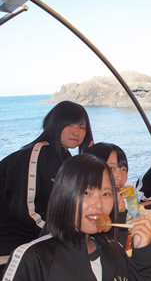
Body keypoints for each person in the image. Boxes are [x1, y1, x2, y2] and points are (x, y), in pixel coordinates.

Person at [0, 154, 151, 281]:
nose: (98, 203)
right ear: (64, 194)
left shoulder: (113, 252)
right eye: (86, 192)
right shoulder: (33, 259)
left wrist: (144, 253)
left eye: (106, 193)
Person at [0, 101, 93, 258]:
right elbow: (29, 212)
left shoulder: (64, 157)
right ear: (55, 124)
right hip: (13, 250)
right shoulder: (37, 153)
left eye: (82, 127)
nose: (76, 132)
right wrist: (65, 235)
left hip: (38, 242)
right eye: (70, 125)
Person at [85, 142, 130, 247]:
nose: (120, 177)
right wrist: (120, 215)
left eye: (124, 169)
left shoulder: (110, 205)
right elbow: (115, 253)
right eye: (111, 168)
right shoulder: (86, 212)